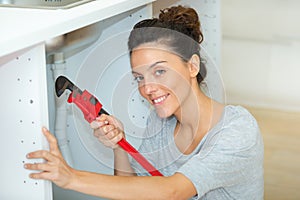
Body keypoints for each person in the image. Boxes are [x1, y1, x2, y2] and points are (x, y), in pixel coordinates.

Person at [24, 5, 264, 200]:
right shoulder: (161, 123)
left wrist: (71, 178)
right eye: (139, 77)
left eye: (159, 71)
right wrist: (120, 145)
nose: (146, 88)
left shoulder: (237, 130)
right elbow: (136, 191)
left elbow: (171, 191)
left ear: (192, 66)